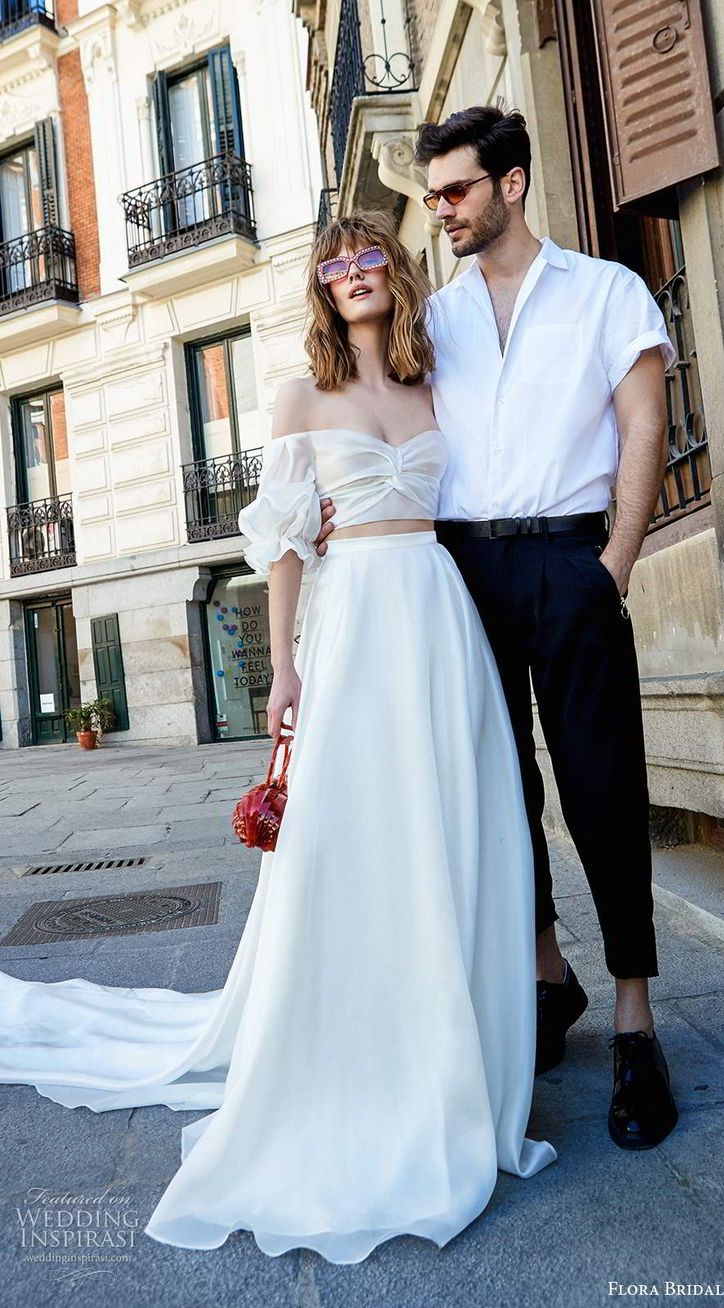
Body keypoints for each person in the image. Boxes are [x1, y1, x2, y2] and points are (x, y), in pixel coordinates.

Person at [0, 210, 556, 1264]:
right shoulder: (300, 393)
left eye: (367, 258)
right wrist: (285, 666)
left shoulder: (437, 384)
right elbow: (285, 543)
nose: (352, 274)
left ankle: (462, 1058)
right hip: (353, 628)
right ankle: (358, 1051)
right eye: (334, 263)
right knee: (351, 840)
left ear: (393, 273)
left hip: (439, 621)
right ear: (322, 286)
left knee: (454, 829)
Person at [317, 105, 679, 1152]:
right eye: (431, 196)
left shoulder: (606, 292)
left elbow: (643, 425)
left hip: (571, 559)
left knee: (602, 784)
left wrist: (612, 563)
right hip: (462, 567)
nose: (439, 211)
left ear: (512, 183)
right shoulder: (438, 314)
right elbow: (377, 402)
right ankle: (545, 971)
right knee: (494, 787)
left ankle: (632, 1020)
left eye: (455, 191)